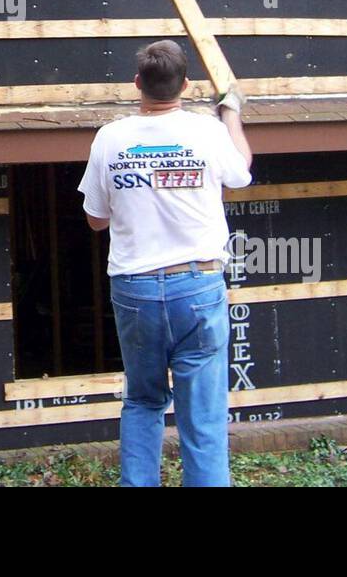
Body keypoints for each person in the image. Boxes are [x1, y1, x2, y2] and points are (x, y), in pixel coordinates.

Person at [77, 40, 252, 487]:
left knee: (142, 400)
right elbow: (240, 173)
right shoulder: (207, 132)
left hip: (135, 290)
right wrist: (230, 111)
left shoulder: (110, 138)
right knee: (204, 416)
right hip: (197, 286)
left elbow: (96, 221)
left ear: (137, 83)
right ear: (186, 85)